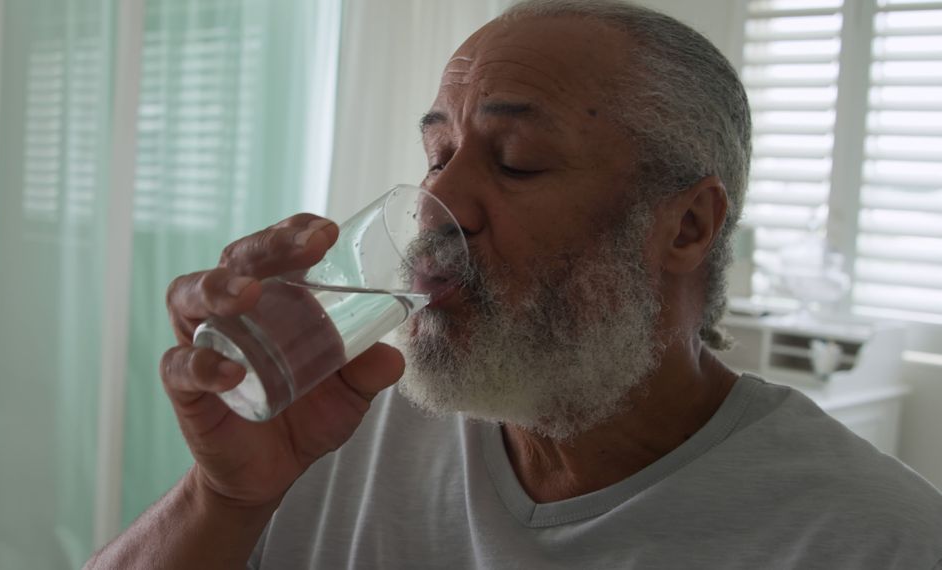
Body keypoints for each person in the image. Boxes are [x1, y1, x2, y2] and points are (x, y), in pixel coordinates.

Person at [87, 0, 942, 568]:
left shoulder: (871, 539)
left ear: (686, 225)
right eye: (436, 155)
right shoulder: (339, 435)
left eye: (517, 161)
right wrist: (223, 497)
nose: (436, 203)